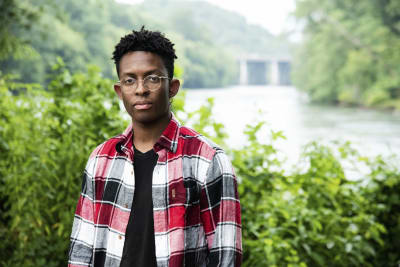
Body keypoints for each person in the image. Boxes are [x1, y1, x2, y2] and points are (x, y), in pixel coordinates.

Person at [68, 27, 242, 267]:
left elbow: (226, 257)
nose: (140, 89)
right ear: (120, 91)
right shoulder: (101, 159)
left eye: (152, 78)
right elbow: (81, 251)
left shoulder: (207, 160)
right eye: (130, 80)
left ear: (172, 87)